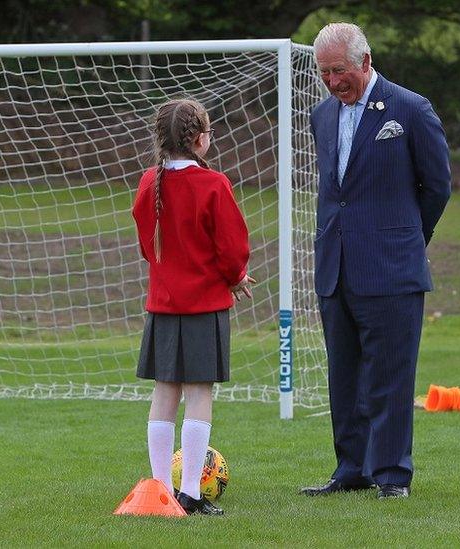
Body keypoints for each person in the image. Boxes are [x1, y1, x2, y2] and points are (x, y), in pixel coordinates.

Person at [301, 22, 451, 499]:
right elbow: (334, 193)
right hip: (335, 268)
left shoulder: (410, 108)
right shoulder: (321, 115)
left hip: (391, 267)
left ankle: (391, 475)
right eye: (324, 72)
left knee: (389, 377)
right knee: (344, 377)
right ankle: (351, 470)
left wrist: (407, 237)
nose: (332, 81)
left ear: (365, 61)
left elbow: (438, 186)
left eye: (339, 71)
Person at [132, 98, 254, 516]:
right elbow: (233, 247)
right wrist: (236, 278)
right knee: (199, 392)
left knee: (164, 392)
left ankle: (160, 492)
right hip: (204, 306)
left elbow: (148, 246)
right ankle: (190, 494)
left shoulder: (149, 181)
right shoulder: (214, 183)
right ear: (200, 139)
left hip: (163, 305)